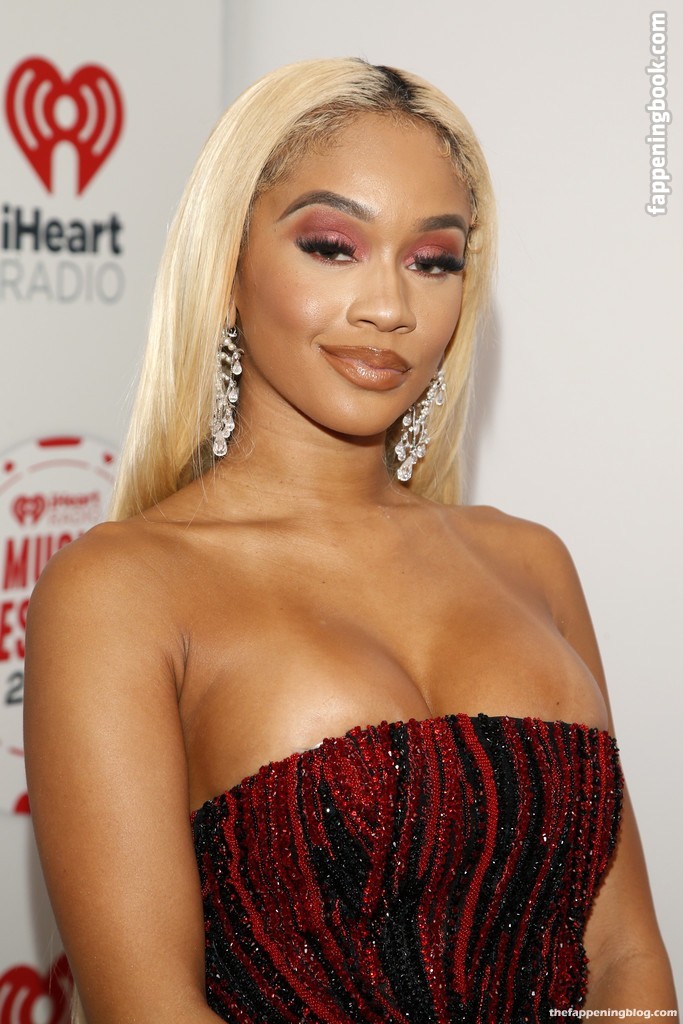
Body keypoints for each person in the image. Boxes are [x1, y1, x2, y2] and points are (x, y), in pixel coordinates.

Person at [24, 58, 676, 1024]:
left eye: (432, 259)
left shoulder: (530, 562)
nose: (390, 308)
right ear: (226, 267)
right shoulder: (119, 591)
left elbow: (625, 954)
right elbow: (148, 1007)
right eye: (332, 246)